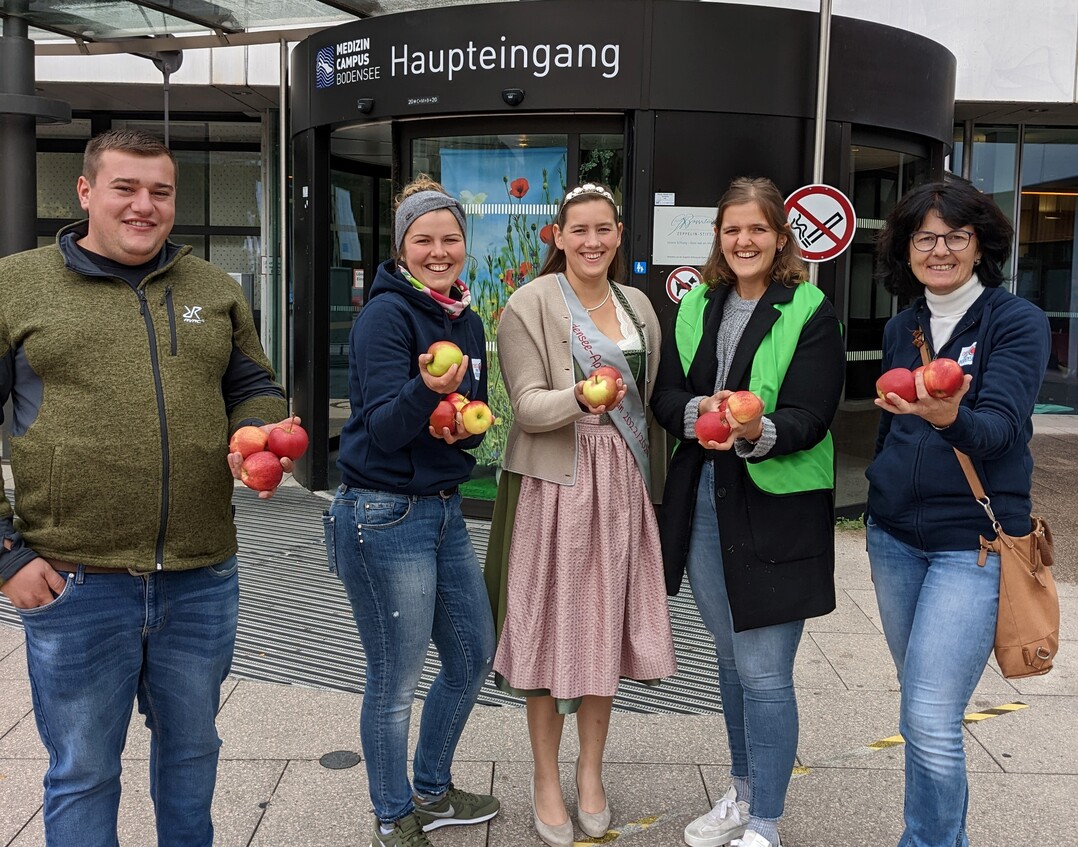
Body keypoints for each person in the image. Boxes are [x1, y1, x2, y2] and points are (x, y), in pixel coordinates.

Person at [0, 128, 290, 847]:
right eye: (125, 187)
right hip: (74, 582)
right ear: (87, 191)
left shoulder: (214, 288)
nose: (144, 205)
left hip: (201, 577)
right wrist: (6, 552)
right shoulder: (16, 283)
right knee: (84, 771)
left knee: (193, 753)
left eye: (160, 190)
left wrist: (253, 434)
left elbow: (252, 384)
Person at [651, 177, 845, 847]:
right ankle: (741, 793)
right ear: (719, 238)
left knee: (764, 670)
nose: (744, 240)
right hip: (705, 498)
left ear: (780, 237)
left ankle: (766, 823)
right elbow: (666, 393)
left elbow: (812, 414)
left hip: (776, 503)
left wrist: (751, 429)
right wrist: (697, 412)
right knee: (731, 662)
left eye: (757, 228)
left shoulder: (810, 309)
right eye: (732, 229)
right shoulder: (698, 303)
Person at [486, 182, 676, 847]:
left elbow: (655, 404)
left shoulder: (640, 308)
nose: (592, 241)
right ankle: (545, 778)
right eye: (579, 230)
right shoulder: (528, 304)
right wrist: (583, 395)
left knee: (603, 633)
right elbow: (528, 407)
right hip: (555, 489)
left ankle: (590, 773)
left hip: (621, 486)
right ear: (557, 237)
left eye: (604, 229)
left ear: (619, 234)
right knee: (546, 639)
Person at [867, 178, 1050, 847]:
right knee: (922, 710)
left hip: (971, 543)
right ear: (907, 248)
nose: (939, 248)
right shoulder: (902, 326)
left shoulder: (1015, 322)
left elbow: (1000, 430)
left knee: (931, 713)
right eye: (925, 236)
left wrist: (951, 418)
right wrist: (883, 483)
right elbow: (891, 430)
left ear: (981, 244)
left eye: (955, 235)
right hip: (892, 539)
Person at [324, 175, 499, 847]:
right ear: (401, 248)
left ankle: (432, 786)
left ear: (464, 245)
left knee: (471, 653)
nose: (438, 250)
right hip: (382, 512)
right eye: (423, 239)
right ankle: (393, 812)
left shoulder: (469, 319)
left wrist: (461, 427)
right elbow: (384, 428)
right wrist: (428, 390)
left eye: (450, 238)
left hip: (446, 512)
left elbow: (479, 422)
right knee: (394, 677)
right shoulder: (385, 316)